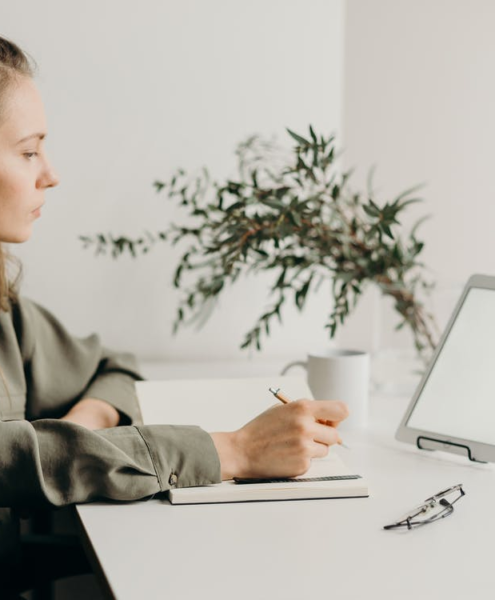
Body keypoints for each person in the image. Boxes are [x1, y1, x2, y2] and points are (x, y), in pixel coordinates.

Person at [0, 36, 348, 594]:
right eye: (28, 151)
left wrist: (83, 429)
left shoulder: (5, 310)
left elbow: (113, 366)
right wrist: (233, 450)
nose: (50, 174)